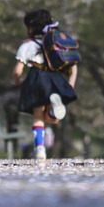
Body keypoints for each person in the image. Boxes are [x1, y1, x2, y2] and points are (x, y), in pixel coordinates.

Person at [12, 8, 77, 160]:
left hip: (37, 77)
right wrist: (70, 84)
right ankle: (53, 110)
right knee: (52, 119)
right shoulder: (56, 44)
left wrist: (18, 82)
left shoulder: (27, 46)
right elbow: (73, 66)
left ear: (30, 28)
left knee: (38, 115)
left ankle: (40, 148)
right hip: (55, 78)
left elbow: (17, 71)